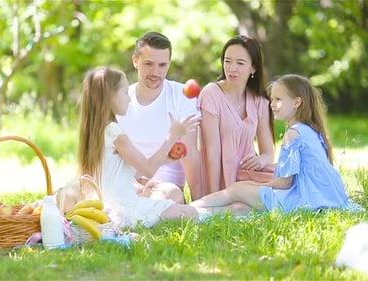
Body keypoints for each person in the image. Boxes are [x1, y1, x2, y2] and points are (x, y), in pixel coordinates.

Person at [190, 74, 350, 215]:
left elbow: (285, 183)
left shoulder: (293, 135)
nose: (272, 104)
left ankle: (189, 208)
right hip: (323, 196)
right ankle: (197, 213)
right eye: (272, 99)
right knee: (241, 203)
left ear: (296, 102)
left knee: (236, 190)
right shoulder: (311, 131)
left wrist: (260, 184)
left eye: (278, 100)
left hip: (300, 200)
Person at [77, 66, 201, 228]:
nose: (129, 98)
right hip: (125, 211)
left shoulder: (97, 131)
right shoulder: (114, 131)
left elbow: (137, 169)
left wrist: (165, 159)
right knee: (190, 213)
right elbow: (148, 169)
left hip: (110, 206)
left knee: (172, 197)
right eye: (124, 92)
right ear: (110, 97)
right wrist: (173, 135)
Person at [116, 31, 202, 202]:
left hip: (165, 186)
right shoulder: (121, 98)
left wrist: (198, 203)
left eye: (162, 65)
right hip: (127, 183)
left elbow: (189, 153)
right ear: (135, 61)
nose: (155, 72)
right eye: (148, 64)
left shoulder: (182, 95)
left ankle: (137, 208)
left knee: (169, 195)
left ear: (169, 64)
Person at [197, 35, 275, 198]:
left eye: (240, 63)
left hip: (248, 176)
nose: (232, 68)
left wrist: (260, 161)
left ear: (253, 68)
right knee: (239, 205)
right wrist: (213, 194)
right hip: (219, 180)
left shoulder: (260, 101)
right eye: (227, 61)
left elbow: (268, 153)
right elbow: (212, 150)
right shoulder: (211, 94)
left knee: (288, 177)